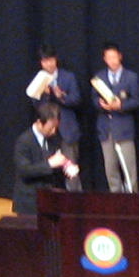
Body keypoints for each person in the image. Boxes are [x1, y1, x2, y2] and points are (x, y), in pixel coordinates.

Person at [27, 48, 84, 190]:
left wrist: (60, 96)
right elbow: (35, 105)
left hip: (66, 130)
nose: (49, 64)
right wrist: (45, 95)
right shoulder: (39, 79)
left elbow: (77, 100)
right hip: (47, 131)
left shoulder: (68, 77)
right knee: (47, 168)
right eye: (45, 61)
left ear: (56, 60)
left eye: (51, 60)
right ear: (41, 63)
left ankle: (75, 202)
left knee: (70, 168)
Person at [92, 41, 139, 191]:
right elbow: (93, 99)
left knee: (129, 169)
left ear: (120, 57)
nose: (112, 61)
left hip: (124, 129)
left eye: (114, 57)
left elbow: (137, 100)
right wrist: (101, 104)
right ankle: (116, 201)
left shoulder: (131, 77)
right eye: (109, 57)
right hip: (106, 130)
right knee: (110, 169)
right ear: (104, 59)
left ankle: (133, 200)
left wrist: (121, 106)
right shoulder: (99, 77)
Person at [13, 100, 78, 216]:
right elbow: (24, 171)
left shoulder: (54, 138)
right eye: (51, 127)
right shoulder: (24, 141)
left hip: (50, 200)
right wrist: (49, 164)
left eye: (56, 127)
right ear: (39, 123)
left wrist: (66, 166)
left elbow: (57, 160)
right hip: (30, 203)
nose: (54, 131)